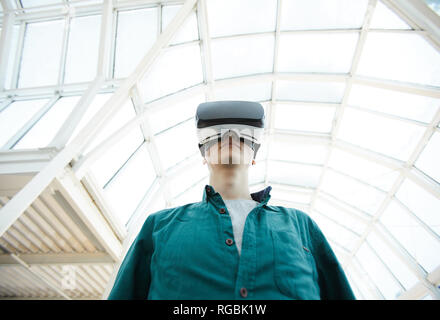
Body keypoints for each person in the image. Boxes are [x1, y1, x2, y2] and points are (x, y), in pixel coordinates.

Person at [107, 101, 355, 300]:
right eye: (217, 134)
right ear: (203, 155)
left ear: (254, 156)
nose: (229, 136)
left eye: (241, 134)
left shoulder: (300, 225)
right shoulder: (159, 227)